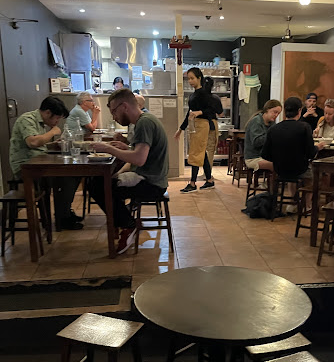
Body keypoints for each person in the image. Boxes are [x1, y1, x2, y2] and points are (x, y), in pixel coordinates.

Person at [90, 89, 169, 254]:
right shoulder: (145, 120)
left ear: (124, 106)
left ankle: (128, 225)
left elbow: (139, 159)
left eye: (114, 112)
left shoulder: (144, 123)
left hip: (151, 183)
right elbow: (143, 152)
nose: (114, 117)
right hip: (151, 178)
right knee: (100, 183)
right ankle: (125, 221)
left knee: (98, 186)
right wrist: (127, 147)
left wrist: (108, 149)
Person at [9, 96, 83, 229]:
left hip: (38, 163)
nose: (57, 122)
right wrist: (53, 132)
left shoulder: (41, 122)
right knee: (66, 178)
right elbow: (33, 142)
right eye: (57, 118)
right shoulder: (27, 119)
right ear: (48, 112)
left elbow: (40, 146)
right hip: (25, 168)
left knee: (75, 174)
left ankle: (64, 212)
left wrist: (54, 144)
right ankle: (63, 217)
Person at [174, 68, 218, 192]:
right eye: (188, 79)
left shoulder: (204, 93)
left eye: (192, 78)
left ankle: (193, 183)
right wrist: (181, 129)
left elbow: (212, 110)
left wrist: (200, 112)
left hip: (202, 125)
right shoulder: (194, 94)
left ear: (199, 78)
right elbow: (189, 113)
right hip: (194, 124)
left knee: (195, 153)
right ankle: (209, 180)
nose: (190, 81)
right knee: (201, 153)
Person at [262, 97, 325, 181]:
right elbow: (310, 153)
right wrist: (318, 147)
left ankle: (289, 190)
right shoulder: (305, 127)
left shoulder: (273, 129)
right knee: (317, 176)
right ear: (299, 110)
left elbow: (265, 154)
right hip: (300, 169)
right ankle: (307, 189)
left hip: (280, 170)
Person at [244, 99, 282, 172]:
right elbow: (256, 142)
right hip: (253, 158)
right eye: (275, 112)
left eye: (278, 113)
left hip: (266, 156)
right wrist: (272, 135)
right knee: (276, 165)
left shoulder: (272, 123)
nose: (276, 115)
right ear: (267, 109)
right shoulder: (256, 122)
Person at [204, 77, 223, 168]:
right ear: (212, 86)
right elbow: (221, 114)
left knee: (199, 149)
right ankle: (207, 172)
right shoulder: (215, 98)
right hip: (211, 124)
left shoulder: (196, 97)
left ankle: (195, 173)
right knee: (210, 149)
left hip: (199, 124)